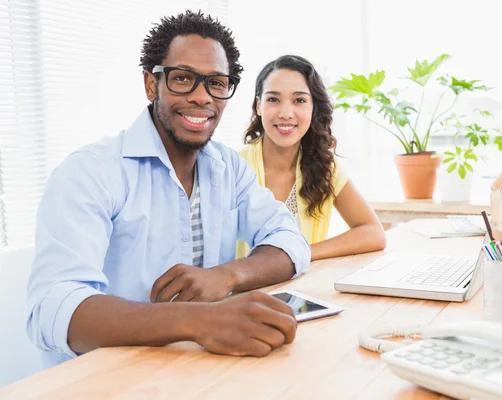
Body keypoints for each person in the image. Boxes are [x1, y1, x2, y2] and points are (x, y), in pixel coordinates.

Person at [26, 11, 310, 368]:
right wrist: (197, 321)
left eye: (216, 83)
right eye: (182, 79)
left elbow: (289, 239)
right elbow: (54, 308)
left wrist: (227, 275)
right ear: (151, 84)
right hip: (101, 380)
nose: (202, 97)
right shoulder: (91, 171)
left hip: (189, 370)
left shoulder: (228, 167)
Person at [237, 55, 386, 261]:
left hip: (302, 289)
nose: (286, 113)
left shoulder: (323, 167)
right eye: (273, 99)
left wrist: (301, 253)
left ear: (313, 106)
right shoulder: (233, 167)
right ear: (258, 106)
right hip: (242, 291)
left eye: (299, 100)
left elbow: (374, 233)